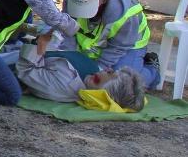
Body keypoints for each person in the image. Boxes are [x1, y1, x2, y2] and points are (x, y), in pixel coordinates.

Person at [63, 0, 160, 88]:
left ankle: (152, 70)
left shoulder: (128, 15)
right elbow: (66, 30)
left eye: (87, 9)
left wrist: (98, 69)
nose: (83, 14)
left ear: (102, 0)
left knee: (124, 84)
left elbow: (117, 47)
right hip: (96, 42)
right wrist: (68, 58)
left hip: (128, 45)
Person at [11, 30, 147, 111]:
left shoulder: (65, 86)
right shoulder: (93, 72)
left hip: (12, 59)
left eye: (110, 72)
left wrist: (40, 43)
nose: (107, 69)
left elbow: (24, 70)